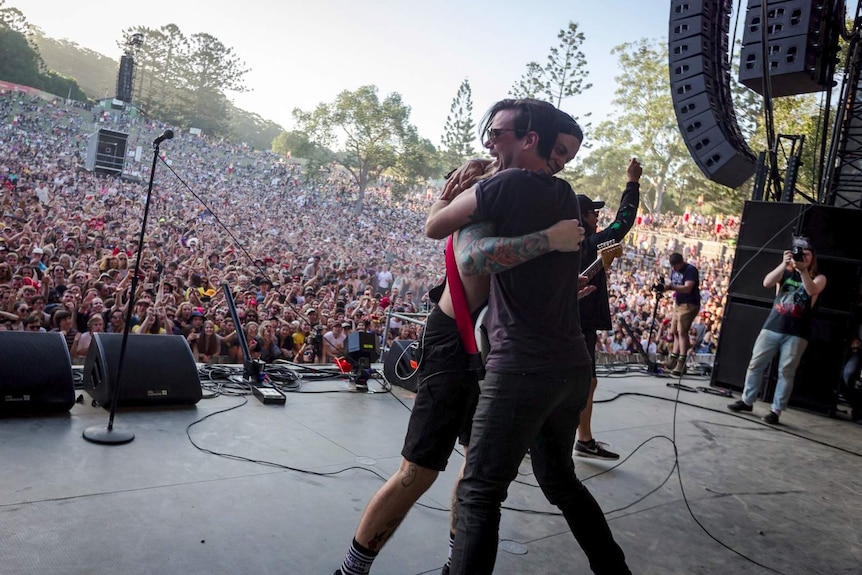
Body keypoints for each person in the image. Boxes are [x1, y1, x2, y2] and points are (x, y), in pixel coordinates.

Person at [334, 101, 591, 575]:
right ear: (534, 140)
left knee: (477, 468)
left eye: (570, 158)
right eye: (558, 150)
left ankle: (458, 565)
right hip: (455, 337)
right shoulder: (492, 184)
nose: (561, 163)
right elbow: (455, 242)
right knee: (419, 470)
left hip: (497, 344)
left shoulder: (538, 192)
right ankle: (352, 569)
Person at [425, 98, 630, 575]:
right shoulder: (563, 193)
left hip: (522, 368)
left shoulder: (506, 182)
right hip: (572, 369)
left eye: (498, 134)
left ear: (527, 139)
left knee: (479, 493)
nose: (489, 142)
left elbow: (466, 255)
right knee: (561, 483)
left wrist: (454, 193)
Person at [574, 159, 641, 461]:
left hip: (571, 322)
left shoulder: (563, 243)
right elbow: (622, 223)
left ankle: (581, 439)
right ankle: (582, 439)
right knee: (583, 382)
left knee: (586, 381)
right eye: (593, 213)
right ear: (584, 216)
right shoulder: (587, 243)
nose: (597, 218)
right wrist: (632, 183)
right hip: (578, 323)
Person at [728, 241, 827, 424]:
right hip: (773, 325)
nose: (802, 257)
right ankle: (747, 400)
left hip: (797, 331)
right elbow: (766, 282)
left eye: (807, 255)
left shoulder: (818, 277)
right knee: (755, 364)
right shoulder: (786, 272)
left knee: (786, 371)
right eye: (800, 254)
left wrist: (803, 270)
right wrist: (784, 263)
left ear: (813, 258)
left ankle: (776, 410)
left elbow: (811, 290)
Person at [664, 252, 700, 376]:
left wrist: (671, 287)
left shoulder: (691, 270)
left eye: (676, 266)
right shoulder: (674, 270)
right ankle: (673, 359)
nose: (674, 269)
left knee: (682, 332)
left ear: (681, 263)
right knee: (674, 331)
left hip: (689, 304)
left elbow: (688, 287)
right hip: (678, 303)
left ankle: (682, 361)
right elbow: (674, 284)